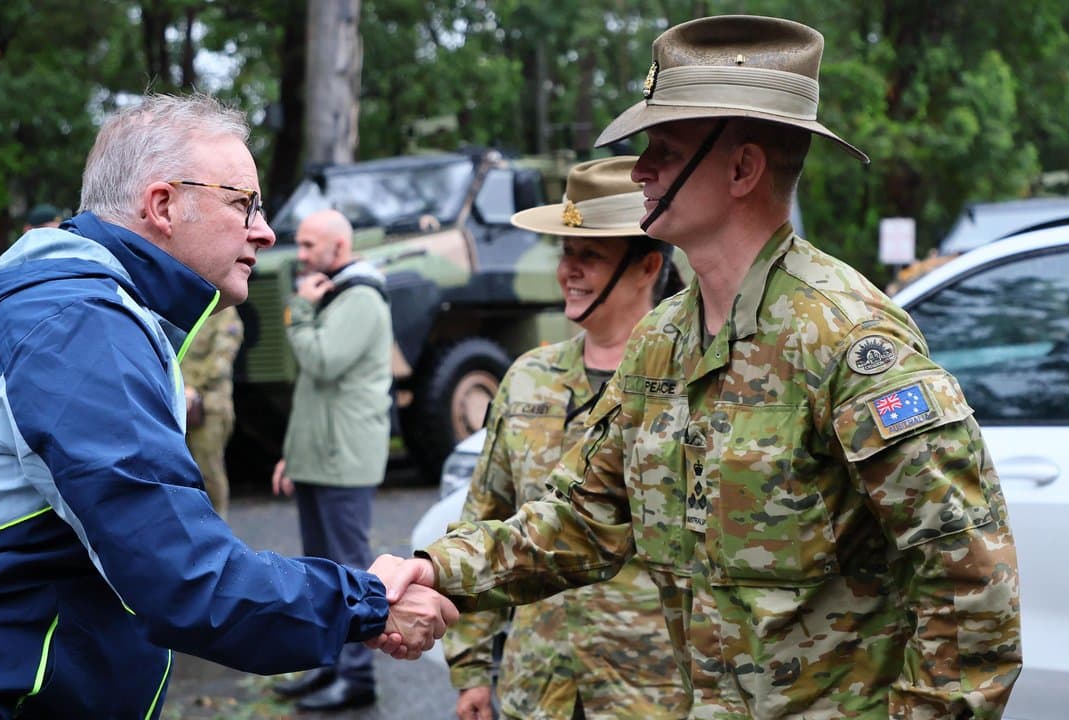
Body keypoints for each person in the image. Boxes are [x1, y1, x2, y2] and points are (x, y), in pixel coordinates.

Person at [372, 15, 1022, 720]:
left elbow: (970, 587)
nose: (641, 168)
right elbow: (583, 519)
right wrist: (436, 569)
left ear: (742, 168)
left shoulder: (845, 340)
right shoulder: (662, 341)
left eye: (664, 146)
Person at [0, 92, 456, 720]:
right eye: (243, 204)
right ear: (162, 205)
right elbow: (184, 577)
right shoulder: (76, 324)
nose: (265, 231)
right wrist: (367, 601)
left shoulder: (76, 308)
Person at [444, 156, 688, 720]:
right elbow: (485, 518)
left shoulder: (685, 379)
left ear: (646, 266)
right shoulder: (529, 376)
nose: (569, 271)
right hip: (540, 685)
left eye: (590, 256)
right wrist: (473, 670)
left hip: (652, 690)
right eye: (566, 254)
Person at [270, 208, 393, 711]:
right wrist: (290, 457)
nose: (299, 256)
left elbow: (320, 361)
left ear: (338, 249)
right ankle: (327, 669)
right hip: (318, 455)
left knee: (348, 568)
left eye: (307, 246)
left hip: (344, 458)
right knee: (320, 573)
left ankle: (359, 677)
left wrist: (298, 311)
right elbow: (314, 393)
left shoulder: (360, 297)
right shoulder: (336, 291)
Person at [181, 304, 242, 517]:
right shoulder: (181, 306)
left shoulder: (224, 314)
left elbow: (220, 361)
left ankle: (218, 525)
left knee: (208, 471)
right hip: (178, 404)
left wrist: (190, 388)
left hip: (208, 408)